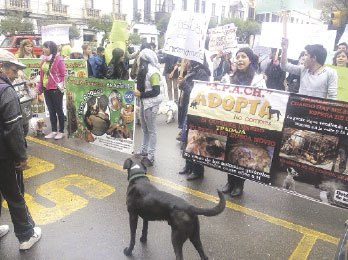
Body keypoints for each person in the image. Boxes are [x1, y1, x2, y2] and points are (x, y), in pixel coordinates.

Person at [0, 49, 41, 250]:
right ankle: (26, 235)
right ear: (2, 67)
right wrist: (21, 156)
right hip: (5, 156)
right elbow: (13, 128)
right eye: (14, 70)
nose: (16, 75)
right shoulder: (6, 91)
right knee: (14, 195)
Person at [222, 47, 266, 197]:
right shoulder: (228, 78)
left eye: (244, 57)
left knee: (242, 153)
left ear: (250, 60)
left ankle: (239, 184)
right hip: (230, 121)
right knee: (229, 151)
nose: (240, 59)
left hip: (246, 123)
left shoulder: (258, 79)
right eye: (238, 56)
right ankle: (229, 181)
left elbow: (263, 100)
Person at [177, 58, 211, 180]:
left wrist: (184, 85)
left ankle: (197, 170)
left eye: (188, 60)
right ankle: (188, 165)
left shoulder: (202, 73)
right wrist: (182, 83)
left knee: (195, 139)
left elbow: (197, 94)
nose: (185, 62)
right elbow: (187, 90)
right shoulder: (192, 71)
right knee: (187, 138)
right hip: (187, 108)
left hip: (196, 110)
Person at [133, 48, 164, 165]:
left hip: (151, 104)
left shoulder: (153, 72)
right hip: (143, 102)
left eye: (140, 59)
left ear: (145, 60)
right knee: (144, 129)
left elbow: (156, 91)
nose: (138, 61)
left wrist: (141, 94)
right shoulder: (143, 71)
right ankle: (143, 151)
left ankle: (151, 156)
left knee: (152, 130)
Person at [37, 41, 66, 140]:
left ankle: (61, 131)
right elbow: (42, 75)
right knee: (51, 111)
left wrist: (60, 85)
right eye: (43, 47)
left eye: (46, 47)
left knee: (59, 111)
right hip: (46, 89)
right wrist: (39, 87)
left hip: (56, 89)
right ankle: (54, 131)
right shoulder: (43, 60)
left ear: (52, 49)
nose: (44, 49)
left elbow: (63, 74)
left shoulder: (59, 59)